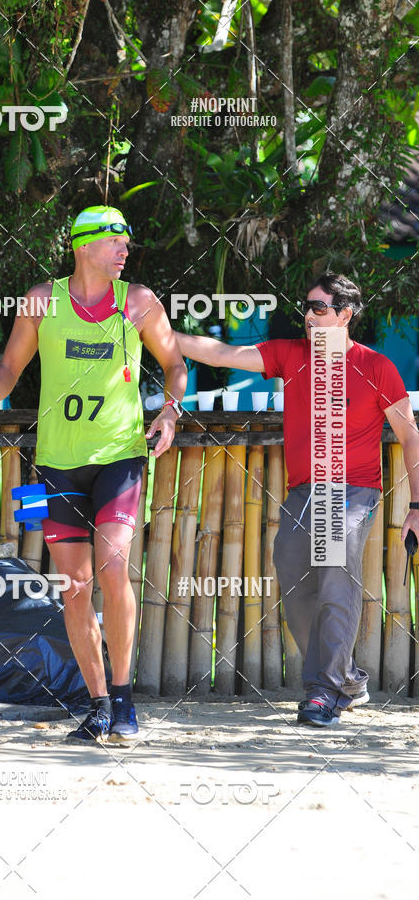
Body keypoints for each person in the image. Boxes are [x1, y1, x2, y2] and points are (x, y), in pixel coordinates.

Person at [0, 206, 187, 743]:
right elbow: (10, 366)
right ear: (83, 245)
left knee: (112, 566)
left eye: (127, 241)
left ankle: (127, 699)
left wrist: (171, 410)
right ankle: (99, 704)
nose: (125, 249)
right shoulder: (43, 300)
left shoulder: (138, 302)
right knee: (74, 587)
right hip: (57, 460)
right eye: (116, 240)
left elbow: (175, 364)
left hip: (120, 456)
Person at [177, 273, 419, 726]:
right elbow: (224, 353)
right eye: (305, 307)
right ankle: (344, 679)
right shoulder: (292, 354)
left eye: (319, 308)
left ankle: (323, 690)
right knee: (292, 572)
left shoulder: (375, 365)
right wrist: (157, 331)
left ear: (345, 314)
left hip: (351, 489)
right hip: (303, 491)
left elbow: (409, 434)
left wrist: (417, 506)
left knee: (333, 573)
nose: (308, 315)